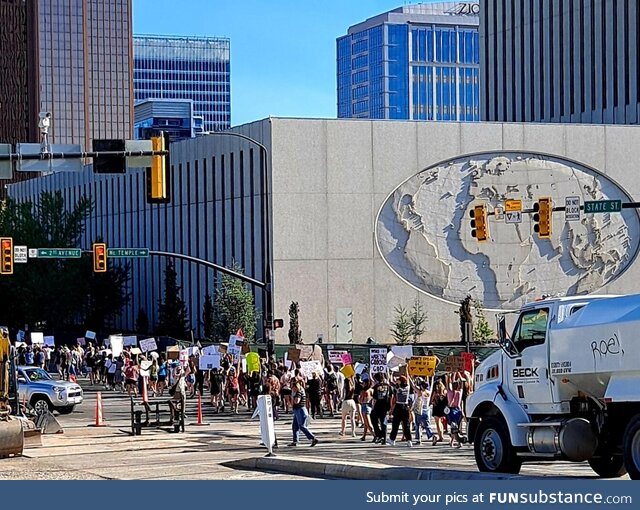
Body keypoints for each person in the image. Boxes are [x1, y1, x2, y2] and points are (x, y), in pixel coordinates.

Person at [289, 379, 318, 447]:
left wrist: (292, 398)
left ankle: (313, 438)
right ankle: (295, 440)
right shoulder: (300, 391)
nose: (292, 389)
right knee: (295, 426)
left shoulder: (299, 392)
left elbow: (297, 401)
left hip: (300, 410)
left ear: (295, 387)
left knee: (302, 426)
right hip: (298, 410)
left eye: (292, 387)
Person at [387, 375, 412, 447]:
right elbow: (408, 380)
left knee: (395, 424)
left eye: (398, 380)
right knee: (406, 425)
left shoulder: (398, 388)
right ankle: (409, 440)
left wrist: (390, 374)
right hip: (406, 406)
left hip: (399, 406)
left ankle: (392, 439)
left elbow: (391, 383)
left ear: (401, 381)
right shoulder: (408, 387)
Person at [370, 373, 393, 444]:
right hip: (386, 405)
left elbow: (375, 398)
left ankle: (379, 435)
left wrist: (373, 407)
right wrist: (390, 406)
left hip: (378, 405)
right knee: (383, 422)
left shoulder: (376, 386)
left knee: (373, 419)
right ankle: (384, 437)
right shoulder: (388, 386)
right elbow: (391, 396)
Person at [412, 380, 434, 444]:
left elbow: (413, 386)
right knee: (427, 425)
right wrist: (431, 378)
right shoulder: (428, 392)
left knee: (417, 424)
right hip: (427, 409)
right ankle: (432, 435)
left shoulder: (420, 392)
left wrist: (409, 377)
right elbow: (431, 385)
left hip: (420, 409)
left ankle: (418, 439)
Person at [446, 373, 464, 448]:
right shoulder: (459, 393)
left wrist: (449, 377)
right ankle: (452, 441)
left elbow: (447, 384)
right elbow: (462, 384)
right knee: (457, 427)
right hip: (458, 410)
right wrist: (458, 374)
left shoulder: (449, 393)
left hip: (451, 411)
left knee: (453, 427)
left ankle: (457, 441)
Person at [431, 380, 448, 445]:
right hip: (442, 408)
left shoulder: (435, 392)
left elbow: (432, 400)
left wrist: (432, 402)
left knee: (438, 423)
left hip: (436, 407)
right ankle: (442, 435)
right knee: (441, 422)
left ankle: (440, 436)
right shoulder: (445, 392)